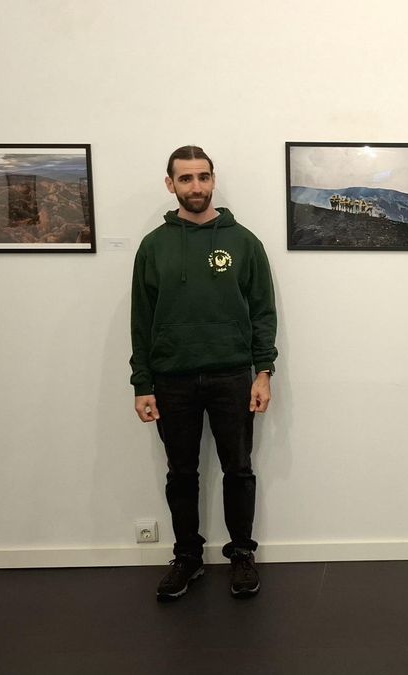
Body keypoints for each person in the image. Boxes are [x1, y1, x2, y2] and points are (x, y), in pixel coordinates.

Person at [130, 146, 277, 602]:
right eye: (186, 178)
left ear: (214, 181)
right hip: (172, 378)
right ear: (170, 184)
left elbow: (262, 313)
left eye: (204, 177)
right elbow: (141, 319)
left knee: (239, 469)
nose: (196, 186)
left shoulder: (244, 242)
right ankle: (187, 557)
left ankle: (241, 554)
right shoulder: (153, 246)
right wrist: (143, 384)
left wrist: (263, 371)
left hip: (232, 375)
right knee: (182, 473)